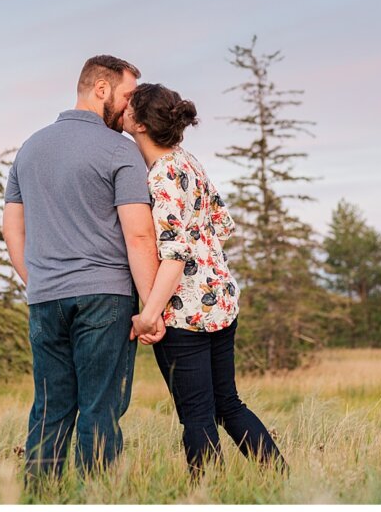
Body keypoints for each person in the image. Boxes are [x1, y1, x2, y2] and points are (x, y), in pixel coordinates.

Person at [2, 55, 162, 480]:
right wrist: (151, 309)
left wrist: (36, 281)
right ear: (102, 89)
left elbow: (12, 229)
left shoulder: (30, 147)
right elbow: (140, 235)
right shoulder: (119, 150)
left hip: (45, 299)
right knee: (100, 406)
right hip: (104, 298)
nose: (131, 109)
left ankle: (40, 497)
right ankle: (95, 497)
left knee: (51, 406)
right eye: (128, 96)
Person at [122, 82, 287, 478]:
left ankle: (208, 495)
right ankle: (283, 482)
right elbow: (220, 223)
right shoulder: (187, 161)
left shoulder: (160, 176)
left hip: (185, 314)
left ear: (141, 125)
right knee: (229, 404)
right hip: (221, 299)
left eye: (129, 106)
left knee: (196, 416)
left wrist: (149, 315)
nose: (122, 109)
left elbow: (174, 255)